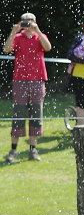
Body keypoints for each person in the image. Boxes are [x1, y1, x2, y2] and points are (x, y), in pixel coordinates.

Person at [3, 13, 51, 163]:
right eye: (25, 23)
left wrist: (38, 31)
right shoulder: (18, 37)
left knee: (36, 115)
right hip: (20, 81)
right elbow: (7, 49)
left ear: (35, 23)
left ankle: (33, 150)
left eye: (30, 23)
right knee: (19, 114)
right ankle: (13, 150)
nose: (27, 26)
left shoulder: (40, 36)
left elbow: (48, 47)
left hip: (37, 81)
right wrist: (13, 32)